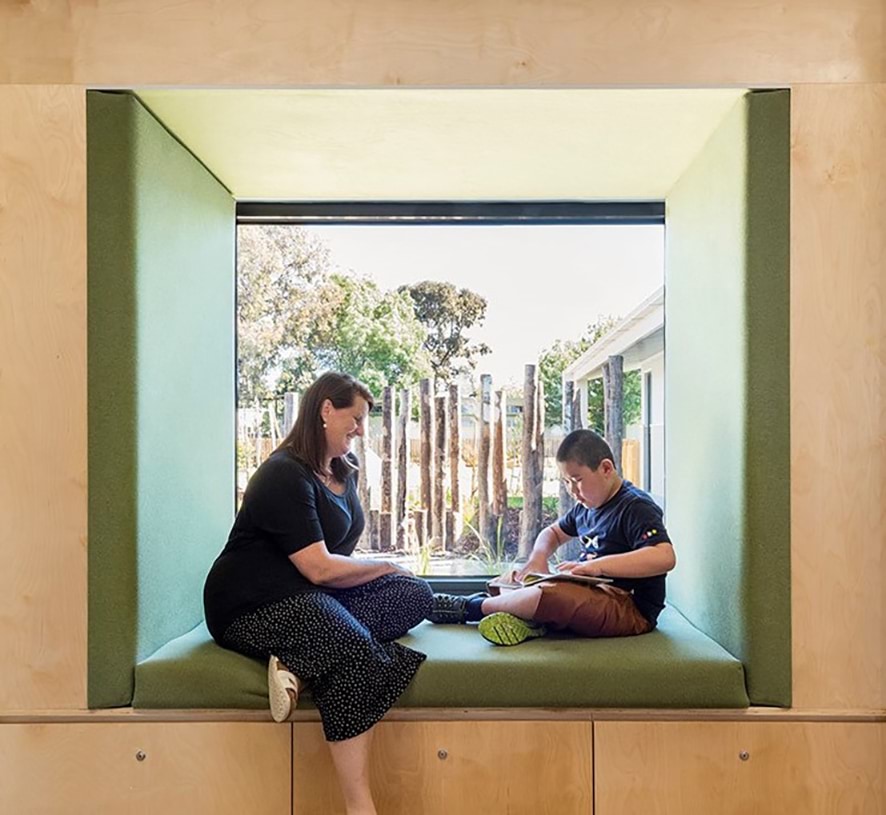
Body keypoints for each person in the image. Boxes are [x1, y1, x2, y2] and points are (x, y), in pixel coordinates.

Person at [204, 371, 432, 815]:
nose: (362, 430)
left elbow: (339, 563)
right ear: (326, 409)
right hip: (251, 603)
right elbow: (320, 567)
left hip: (311, 596)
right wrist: (386, 564)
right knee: (353, 648)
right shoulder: (282, 475)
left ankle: (296, 660)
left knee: (415, 594)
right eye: (357, 417)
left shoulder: (343, 473)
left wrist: (390, 576)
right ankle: (359, 804)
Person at [428, 429, 675, 646]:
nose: (573, 491)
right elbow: (553, 533)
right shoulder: (586, 507)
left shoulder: (636, 506)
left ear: (606, 469)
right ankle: (530, 622)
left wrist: (594, 567)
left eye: (577, 480)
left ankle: (469, 608)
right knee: (509, 581)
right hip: (593, 593)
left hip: (629, 607)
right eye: (567, 482)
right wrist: (538, 559)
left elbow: (663, 556)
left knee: (549, 595)